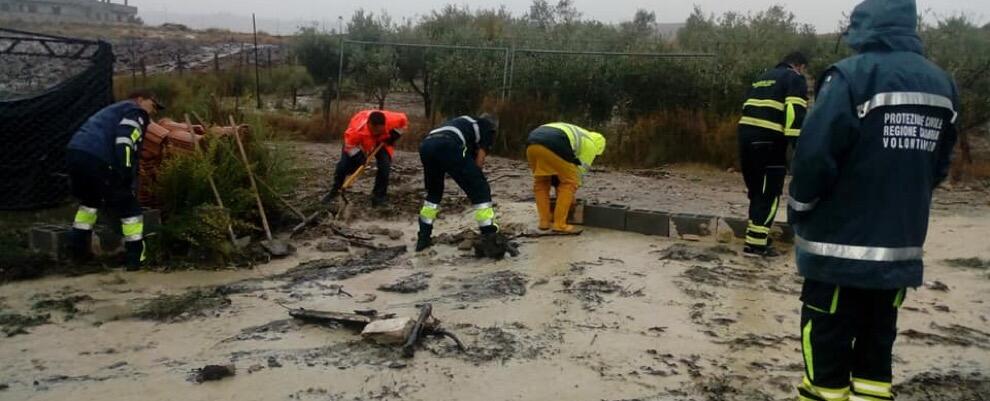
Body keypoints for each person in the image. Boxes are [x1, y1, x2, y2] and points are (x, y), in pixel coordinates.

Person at [787, 0, 958, 400]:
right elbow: (939, 164)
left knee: (825, 345)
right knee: (876, 351)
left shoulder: (850, 77)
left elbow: (814, 156)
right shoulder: (942, 83)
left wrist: (799, 207)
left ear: (864, 28)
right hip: (899, 248)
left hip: (838, 250)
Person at [65, 90, 164, 270]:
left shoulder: (113, 111)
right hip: (100, 158)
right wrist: (125, 173)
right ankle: (135, 260)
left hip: (76, 154)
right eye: (153, 105)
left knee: (90, 203)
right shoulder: (136, 112)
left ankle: (77, 253)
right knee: (130, 208)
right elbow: (125, 141)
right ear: (140, 99)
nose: (153, 111)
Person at [737, 51, 810, 256]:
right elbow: (794, 113)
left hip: (746, 140)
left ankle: (756, 237)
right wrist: (799, 146)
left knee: (756, 191)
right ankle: (756, 245)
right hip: (770, 143)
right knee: (769, 192)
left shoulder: (762, 78)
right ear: (799, 65)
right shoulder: (794, 78)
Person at [415, 115, 499, 254]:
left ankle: (423, 238)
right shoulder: (487, 127)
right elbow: (480, 159)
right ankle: (489, 235)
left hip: (426, 145)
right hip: (448, 144)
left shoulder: (463, 123)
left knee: (434, 194)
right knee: (481, 189)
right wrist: (475, 180)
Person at [525, 122, 606, 233]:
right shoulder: (591, 145)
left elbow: (560, 168)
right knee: (570, 182)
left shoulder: (578, 133)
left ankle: (544, 222)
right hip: (555, 143)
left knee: (541, 182)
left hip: (532, 142)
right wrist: (570, 196)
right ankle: (559, 224)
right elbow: (577, 175)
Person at [324, 109, 408, 206]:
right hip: (358, 142)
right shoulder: (356, 130)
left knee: (385, 166)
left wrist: (395, 134)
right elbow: (350, 146)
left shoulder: (393, 120)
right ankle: (335, 190)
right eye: (375, 131)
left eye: (380, 130)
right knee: (343, 166)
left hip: (382, 141)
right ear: (369, 124)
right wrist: (360, 158)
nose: (376, 133)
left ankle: (379, 197)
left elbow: (403, 124)